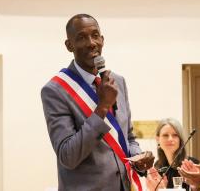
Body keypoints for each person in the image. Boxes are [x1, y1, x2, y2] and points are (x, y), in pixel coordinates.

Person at [41, 14, 154, 191]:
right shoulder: (55, 90)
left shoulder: (117, 81)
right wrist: (102, 108)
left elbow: (128, 137)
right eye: (81, 37)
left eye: (95, 35)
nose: (91, 42)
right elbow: (68, 155)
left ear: (102, 40)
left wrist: (138, 156)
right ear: (69, 45)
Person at [144, 118, 199, 191]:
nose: (170, 139)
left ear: (180, 139)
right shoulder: (158, 166)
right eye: (165, 135)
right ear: (158, 139)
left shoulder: (192, 164)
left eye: (175, 135)